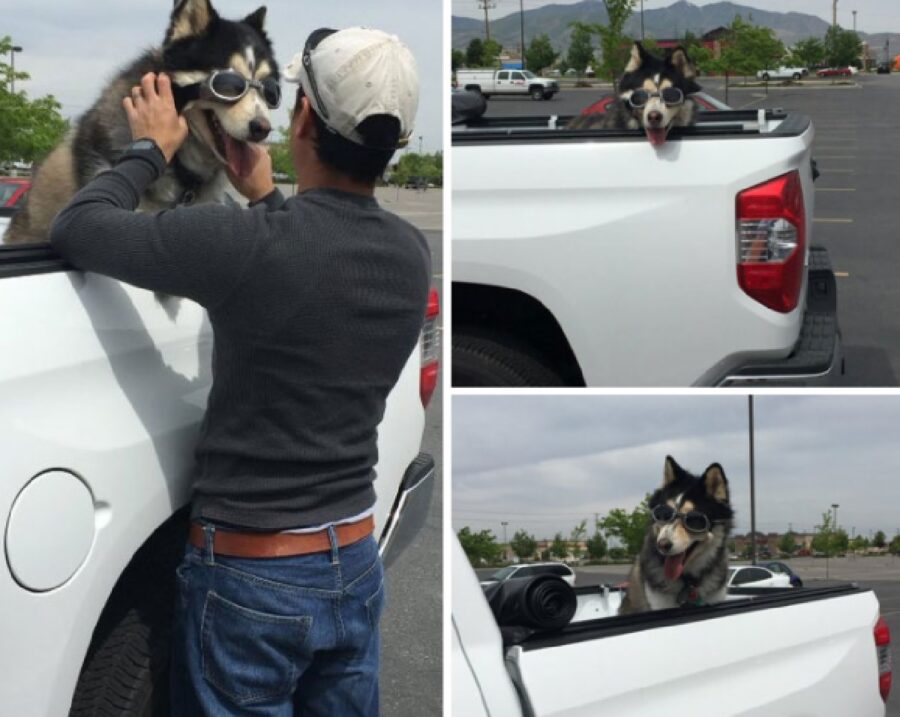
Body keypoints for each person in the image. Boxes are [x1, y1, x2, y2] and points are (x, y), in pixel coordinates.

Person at [50, 26, 430, 716]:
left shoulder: (242, 246)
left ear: (303, 117)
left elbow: (77, 226)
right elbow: (317, 267)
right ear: (395, 143)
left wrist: (149, 150)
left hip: (253, 579)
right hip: (353, 560)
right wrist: (268, 200)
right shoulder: (409, 254)